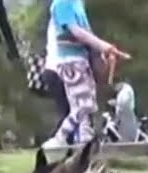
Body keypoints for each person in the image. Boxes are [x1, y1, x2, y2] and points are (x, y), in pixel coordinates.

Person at [42, 0, 130, 149]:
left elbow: (87, 34)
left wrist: (101, 52)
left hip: (81, 60)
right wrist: (104, 47)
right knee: (84, 106)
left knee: (87, 106)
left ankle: (85, 143)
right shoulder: (63, 3)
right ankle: (59, 138)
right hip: (69, 61)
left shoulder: (77, 4)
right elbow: (76, 31)